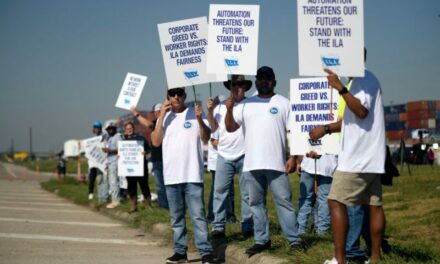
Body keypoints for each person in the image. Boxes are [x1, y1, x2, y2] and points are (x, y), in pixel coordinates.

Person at [310, 61, 386, 264]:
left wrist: (341, 88)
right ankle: (376, 258)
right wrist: (326, 129)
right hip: (370, 157)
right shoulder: (365, 79)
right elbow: (352, 120)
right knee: (374, 204)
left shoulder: (363, 79)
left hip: (357, 159)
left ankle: (340, 260)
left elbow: (361, 112)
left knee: (335, 201)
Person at [225, 67, 301, 256]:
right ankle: (262, 240)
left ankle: (294, 240)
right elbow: (231, 127)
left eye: (268, 79)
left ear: (274, 82)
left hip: (277, 163)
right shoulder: (246, 104)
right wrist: (228, 109)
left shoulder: (284, 103)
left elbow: (294, 133)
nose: (264, 81)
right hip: (251, 164)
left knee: (284, 202)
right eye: (261, 78)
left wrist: (293, 157)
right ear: (256, 81)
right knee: (256, 204)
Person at [151, 87, 215, 264]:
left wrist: (199, 120)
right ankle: (180, 251)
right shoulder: (164, 118)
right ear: (168, 97)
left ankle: (205, 251)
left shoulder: (194, 112)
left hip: (192, 174)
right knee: (176, 217)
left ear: (185, 96)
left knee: (198, 215)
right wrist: (162, 116)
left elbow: (206, 138)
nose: (176, 97)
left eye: (180, 93)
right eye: (173, 94)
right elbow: (155, 142)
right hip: (172, 175)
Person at [207, 75, 253, 240]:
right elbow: (213, 128)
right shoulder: (219, 107)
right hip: (224, 155)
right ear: (230, 86)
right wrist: (210, 111)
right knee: (219, 192)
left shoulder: (250, 104)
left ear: (246, 87)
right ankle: (218, 227)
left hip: (245, 154)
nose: (237, 87)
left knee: (247, 194)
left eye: (241, 84)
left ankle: (247, 226)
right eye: (234, 84)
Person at [132, 104, 169, 209]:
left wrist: (136, 113)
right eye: (156, 112)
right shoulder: (156, 124)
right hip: (158, 159)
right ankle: (164, 205)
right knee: (160, 185)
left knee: (169, 185)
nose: (158, 113)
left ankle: (170, 205)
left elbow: (147, 124)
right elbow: (149, 124)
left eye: (159, 111)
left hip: (168, 159)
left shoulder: (169, 123)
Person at [296, 153, 336, 235]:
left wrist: (299, 162)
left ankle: (301, 229)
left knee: (306, 198)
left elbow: (300, 145)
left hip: (308, 165)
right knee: (324, 199)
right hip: (328, 165)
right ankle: (323, 230)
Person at [122, 121, 152, 213]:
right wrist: (119, 156)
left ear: (133, 129)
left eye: (130, 128)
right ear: (125, 130)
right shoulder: (123, 141)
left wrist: (145, 152)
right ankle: (133, 206)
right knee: (131, 187)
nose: (129, 130)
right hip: (129, 169)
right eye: (127, 129)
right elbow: (121, 153)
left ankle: (148, 205)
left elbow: (149, 149)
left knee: (144, 186)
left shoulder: (141, 138)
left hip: (141, 167)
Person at [102, 121, 123, 209]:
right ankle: (115, 199)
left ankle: (116, 200)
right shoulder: (109, 138)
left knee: (114, 182)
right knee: (112, 182)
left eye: (112, 128)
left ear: (115, 129)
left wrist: (110, 150)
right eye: (109, 129)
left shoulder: (117, 137)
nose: (110, 130)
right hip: (110, 162)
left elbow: (121, 149)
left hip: (115, 162)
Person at [87, 121, 106, 200]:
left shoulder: (104, 136)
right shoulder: (93, 138)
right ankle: (90, 193)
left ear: (100, 128)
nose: (96, 129)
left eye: (97, 128)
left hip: (101, 162)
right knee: (92, 178)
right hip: (93, 163)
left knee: (101, 179)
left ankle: (102, 195)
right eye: (95, 128)